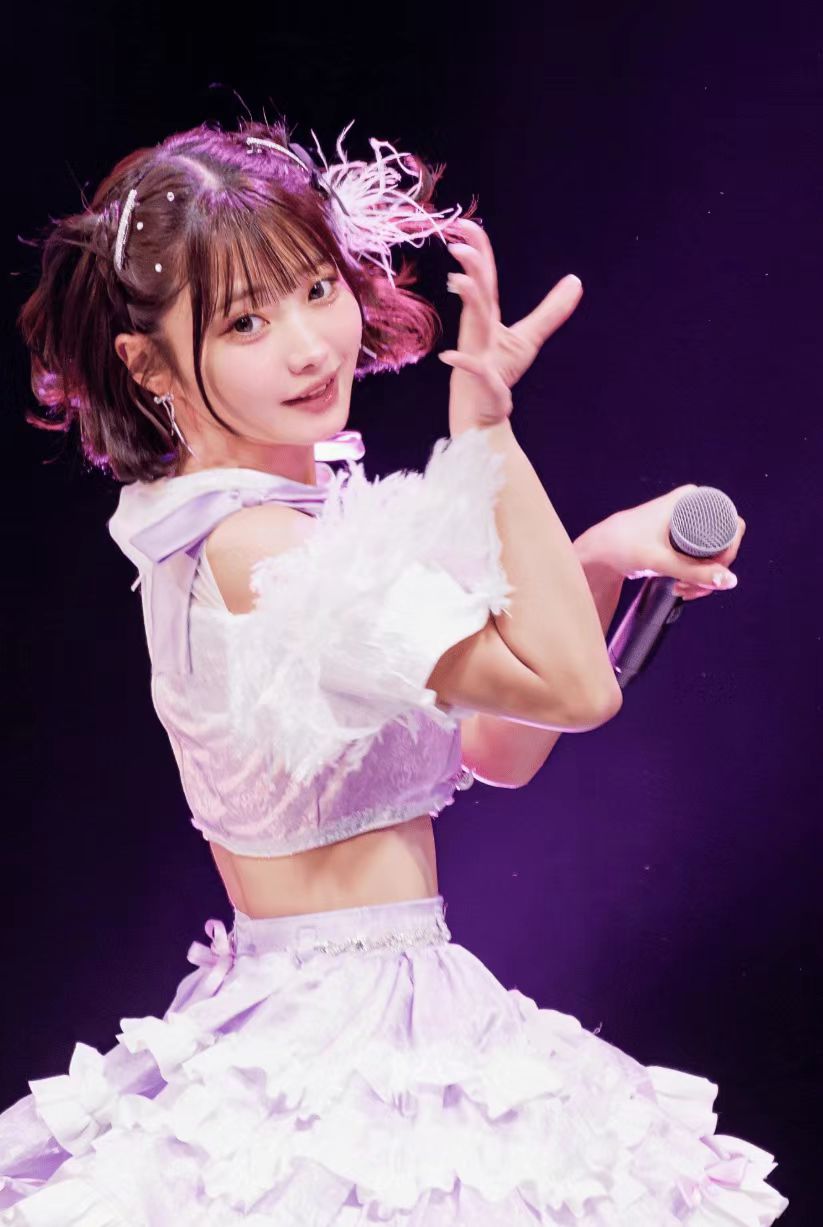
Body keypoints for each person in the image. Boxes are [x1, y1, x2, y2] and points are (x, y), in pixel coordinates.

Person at [0, 116, 788, 1224]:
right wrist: (485, 432)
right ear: (148, 364)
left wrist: (603, 556)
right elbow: (573, 691)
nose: (308, 346)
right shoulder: (268, 550)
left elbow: (499, 747)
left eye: (316, 289)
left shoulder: (254, 527)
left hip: (355, 1014)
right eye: (245, 321)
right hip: (349, 1049)